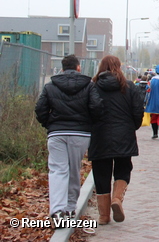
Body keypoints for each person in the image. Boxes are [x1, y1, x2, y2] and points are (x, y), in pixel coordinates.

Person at [35, 55, 103, 222]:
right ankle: (70, 208)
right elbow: (96, 107)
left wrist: (50, 125)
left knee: (57, 170)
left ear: (62, 68)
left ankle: (57, 210)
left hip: (56, 133)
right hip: (80, 134)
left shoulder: (50, 86)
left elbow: (40, 109)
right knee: (74, 169)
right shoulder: (88, 85)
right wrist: (89, 124)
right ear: (78, 67)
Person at [89, 55, 144, 225]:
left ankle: (103, 216)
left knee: (101, 174)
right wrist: (131, 127)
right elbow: (138, 111)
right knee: (123, 168)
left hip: (100, 136)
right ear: (119, 67)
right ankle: (117, 199)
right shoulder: (128, 86)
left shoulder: (93, 87)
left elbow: (89, 110)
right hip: (124, 135)